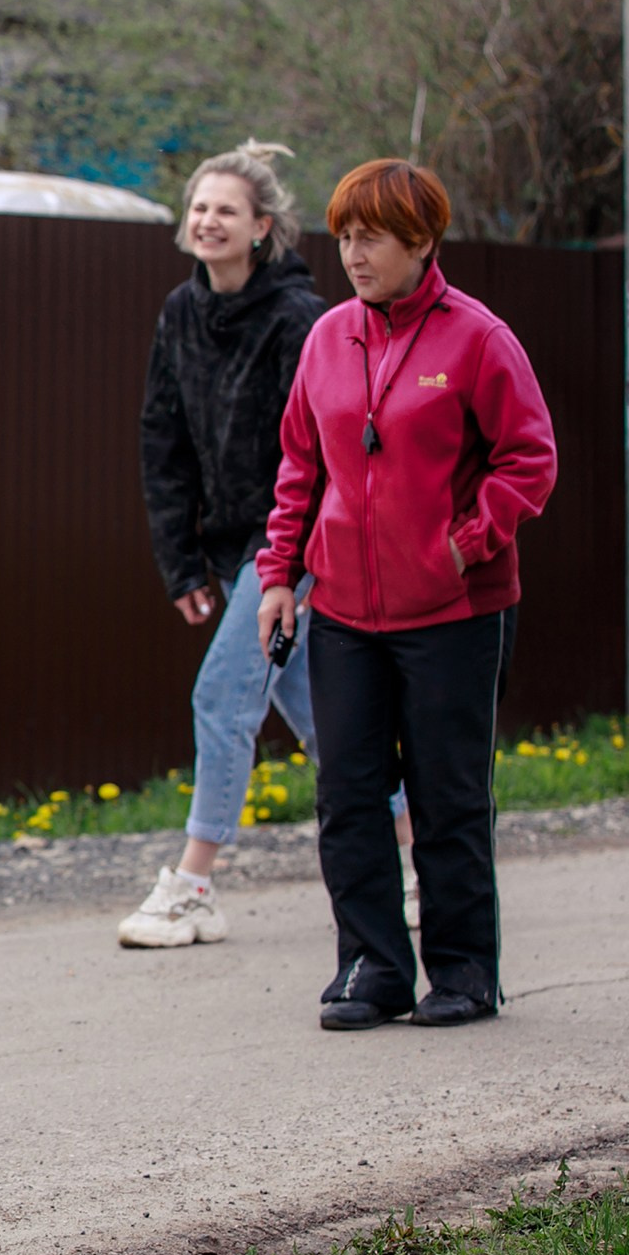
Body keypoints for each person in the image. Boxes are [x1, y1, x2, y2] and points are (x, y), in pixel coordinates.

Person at [257, 159, 556, 1031]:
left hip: (455, 612)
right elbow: (300, 466)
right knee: (347, 794)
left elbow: (529, 459)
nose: (354, 254)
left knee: (446, 795)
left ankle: (463, 972)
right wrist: (279, 575)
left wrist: (465, 544)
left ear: (422, 242)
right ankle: (372, 968)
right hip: (344, 611)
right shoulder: (327, 339)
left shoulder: (479, 339)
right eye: (345, 237)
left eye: (372, 238)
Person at [121, 142, 393, 948]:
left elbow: (323, 447)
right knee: (322, 716)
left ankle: (195, 885)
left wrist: (288, 559)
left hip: (294, 538)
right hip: (232, 544)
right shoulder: (181, 312)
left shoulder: (298, 319)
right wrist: (181, 563)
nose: (208, 220)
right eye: (199, 207)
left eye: (226, 210)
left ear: (262, 227)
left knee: (221, 695)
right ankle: (421, 854)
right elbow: (162, 442)